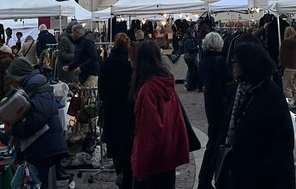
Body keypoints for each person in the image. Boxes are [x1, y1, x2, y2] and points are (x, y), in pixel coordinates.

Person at [216, 43, 295, 189]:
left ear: (248, 64)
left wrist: (263, 168)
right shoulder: (239, 90)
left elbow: (284, 139)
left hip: (265, 177)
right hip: (241, 171)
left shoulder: (271, 94)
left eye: (236, 62)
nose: (233, 66)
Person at [130, 41, 189, 189]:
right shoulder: (166, 82)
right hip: (168, 154)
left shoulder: (148, 89)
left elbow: (148, 130)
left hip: (153, 160)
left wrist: (140, 165)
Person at [3, 58, 68, 189]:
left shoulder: (35, 85)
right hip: (45, 144)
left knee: (38, 181)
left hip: (42, 145)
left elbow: (37, 118)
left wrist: (15, 129)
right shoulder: (36, 82)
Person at [99, 33, 135, 189]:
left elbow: (101, 88)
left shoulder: (106, 63)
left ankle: (119, 172)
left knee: (114, 144)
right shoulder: (128, 65)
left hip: (111, 110)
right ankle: (127, 175)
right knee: (127, 145)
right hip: (126, 112)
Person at [197, 32, 231, 189]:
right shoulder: (219, 60)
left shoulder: (205, 59)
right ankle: (208, 177)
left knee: (213, 140)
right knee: (216, 142)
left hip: (210, 101)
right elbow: (228, 79)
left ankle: (206, 178)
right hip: (220, 103)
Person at [65, 23, 100, 87]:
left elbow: (94, 57)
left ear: (77, 32)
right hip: (83, 76)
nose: (71, 34)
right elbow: (78, 60)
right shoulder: (78, 44)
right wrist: (70, 66)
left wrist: (81, 67)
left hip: (91, 75)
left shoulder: (87, 42)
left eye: (73, 32)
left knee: (91, 96)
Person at [278, 27, 296, 101]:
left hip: (289, 66)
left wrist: (281, 64)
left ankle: (289, 103)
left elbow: (283, 55)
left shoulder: (286, 43)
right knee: (293, 86)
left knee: (287, 87)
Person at [180, 25, 201, 92]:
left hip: (188, 56)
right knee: (192, 71)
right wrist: (196, 48)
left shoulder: (187, 39)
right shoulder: (189, 40)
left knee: (191, 71)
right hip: (190, 57)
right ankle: (190, 85)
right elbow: (189, 49)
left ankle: (190, 85)